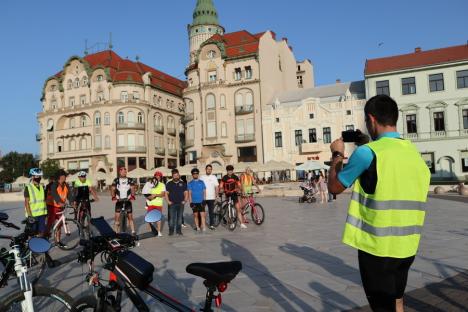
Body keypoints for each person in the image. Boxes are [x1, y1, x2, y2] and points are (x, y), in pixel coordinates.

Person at [327, 95, 430, 312]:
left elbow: (335, 187)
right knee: (398, 301)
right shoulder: (415, 155)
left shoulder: (367, 153)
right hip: (407, 246)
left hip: (377, 249)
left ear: (371, 120)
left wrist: (337, 153)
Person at [48, 169, 74, 244]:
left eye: (65, 175)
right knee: (50, 224)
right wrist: (59, 201)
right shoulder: (55, 184)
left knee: (59, 224)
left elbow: (69, 195)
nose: (64, 177)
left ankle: (58, 241)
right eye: (63, 175)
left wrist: (72, 202)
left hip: (61, 207)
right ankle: (45, 237)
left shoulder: (66, 185)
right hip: (52, 206)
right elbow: (54, 193)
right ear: (59, 177)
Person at [111, 167, 136, 235]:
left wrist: (133, 196)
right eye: (122, 171)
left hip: (127, 200)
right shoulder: (116, 180)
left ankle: (133, 231)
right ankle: (115, 232)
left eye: (125, 171)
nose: (124, 173)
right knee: (117, 217)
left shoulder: (130, 180)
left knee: (130, 217)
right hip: (119, 201)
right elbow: (113, 189)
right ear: (120, 172)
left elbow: (133, 188)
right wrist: (113, 197)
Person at [24, 168, 48, 237]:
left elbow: (44, 201)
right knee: (32, 234)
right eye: (37, 176)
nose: (39, 178)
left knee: (41, 233)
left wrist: (46, 214)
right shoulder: (28, 187)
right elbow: (26, 203)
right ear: (32, 176)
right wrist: (29, 216)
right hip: (33, 215)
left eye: (40, 176)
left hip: (42, 214)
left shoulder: (42, 187)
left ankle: (39, 246)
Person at [165, 169, 188, 236]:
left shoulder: (183, 183)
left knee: (179, 218)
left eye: (177, 175)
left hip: (181, 203)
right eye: (174, 175)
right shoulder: (169, 184)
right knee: (172, 218)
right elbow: (166, 193)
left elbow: (186, 193)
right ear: (172, 176)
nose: (176, 177)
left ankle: (179, 231)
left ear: (179, 175)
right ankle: (171, 231)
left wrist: (185, 200)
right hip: (172, 204)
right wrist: (168, 201)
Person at [145, 171, 166, 237]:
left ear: (161, 178)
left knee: (158, 218)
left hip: (158, 204)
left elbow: (162, 194)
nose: (157, 178)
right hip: (150, 204)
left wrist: (155, 195)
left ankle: (159, 231)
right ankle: (149, 231)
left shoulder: (162, 185)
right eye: (156, 176)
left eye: (159, 177)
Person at [200, 164, 219, 230]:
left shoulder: (214, 177)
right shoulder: (202, 177)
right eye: (208, 169)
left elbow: (216, 187)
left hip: (211, 197)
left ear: (211, 170)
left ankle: (211, 225)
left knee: (211, 212)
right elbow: (200, 187)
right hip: (203, 198)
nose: (209, 170)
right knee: (202, 212)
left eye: (210, 169)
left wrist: (217, 196)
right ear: (205, 169)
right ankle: (202, 224)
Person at [187, 168, 206, 232]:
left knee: (202, 215)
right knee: (195, 215)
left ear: (198, 174)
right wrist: (190, 202)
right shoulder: (190, 183)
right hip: (194, 202)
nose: (195, 175)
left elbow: (204, 192)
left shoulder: (202, 182)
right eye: (194, 174)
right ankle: (197, 227)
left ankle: (203, 227)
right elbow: (189, 193)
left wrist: (204, 200)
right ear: (192, 175)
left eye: (196, 173)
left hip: (201, 201)